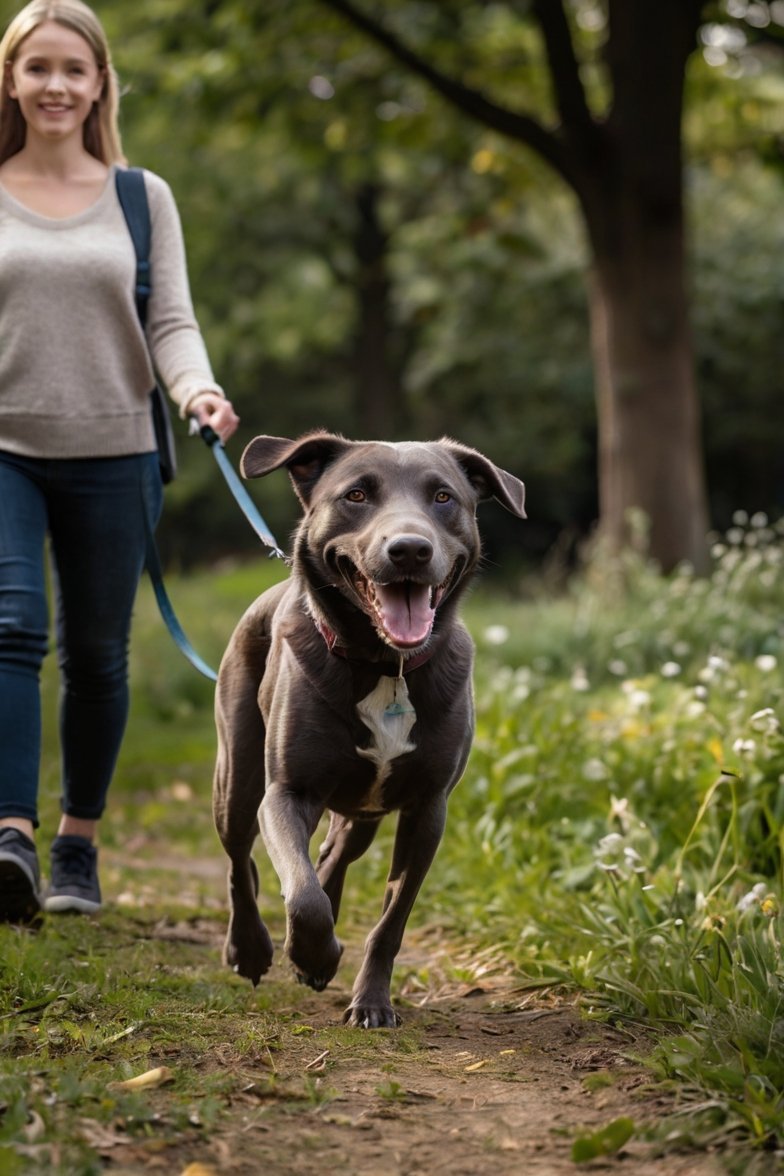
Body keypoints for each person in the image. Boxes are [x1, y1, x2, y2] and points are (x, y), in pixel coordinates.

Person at [0, 0, 239, 922]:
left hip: (118, 449)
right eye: (37, 68)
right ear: (12, 81)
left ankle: (77, 847)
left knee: (97, 655)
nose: (55, 85)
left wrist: (197, 391)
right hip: (6, 449)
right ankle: (11, 839)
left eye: (73, 69)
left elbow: (170, 322)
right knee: (13, 626)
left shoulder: (142, 196)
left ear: (100, 82)